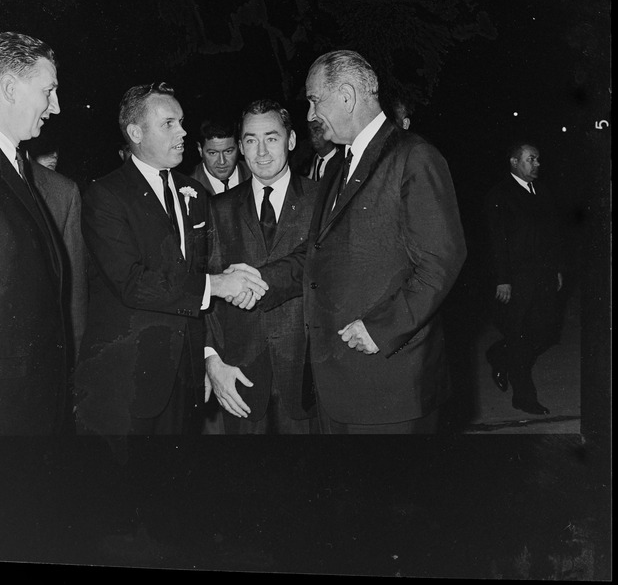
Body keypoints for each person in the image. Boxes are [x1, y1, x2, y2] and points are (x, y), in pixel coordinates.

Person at [259, 49, 467, 433]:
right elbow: (318, 255)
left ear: (347, 96)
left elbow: (442, 260)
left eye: (314, 100)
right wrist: (259, 280)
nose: (309, 115)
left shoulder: (414, 156)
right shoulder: (338, 165)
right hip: (334, 386)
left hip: (392, 386)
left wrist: (381, 328)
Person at [74, 82, 269, 437]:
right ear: (135, 133)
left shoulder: (192, 193)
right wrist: (220, 285)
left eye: (181, 121)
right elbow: (134, 284)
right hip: (129, 384)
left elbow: (198, 277)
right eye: (169, 124)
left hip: (187, 379)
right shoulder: (105, 196)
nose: (182, 132)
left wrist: (208, 358)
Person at [0, 31, 70, 435]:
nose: (55, 107)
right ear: (9, 88)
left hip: (26, 409)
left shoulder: (8, 164)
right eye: (48, 91)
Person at [204, 100, 319, 433]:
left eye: (271, 138)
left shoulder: (322, 200)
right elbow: (207, 292)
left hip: (307, 374)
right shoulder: (217, 208)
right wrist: (212, 360)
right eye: (251, 140)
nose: (262, 151)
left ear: (292, 140)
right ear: (241, 147)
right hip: (239, 376)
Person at [484, 142, 563, 415]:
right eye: (531, 159)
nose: (538, 164)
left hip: (542, 276)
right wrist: (502, 279)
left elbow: (552, 235)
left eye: (538, 159)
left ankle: (499, 355)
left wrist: (556, 269)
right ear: (514, 162)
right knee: (519, 336)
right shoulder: (499, 195)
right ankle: (524, 397)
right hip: (515, 279)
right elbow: (496, 241)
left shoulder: (542, 191)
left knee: (547, 333)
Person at [24, 146, 89, 362]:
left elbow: (75, 289)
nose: (54, 156)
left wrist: (75, 357)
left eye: (56, 151)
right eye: (47, 149)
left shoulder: (64, 191)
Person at [190, 117, 251, 195]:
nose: (222, 162)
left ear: (240, 146)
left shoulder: (255, 174)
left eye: (228, 151)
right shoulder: (187, 184)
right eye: (213, 153)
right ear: (200, 149)